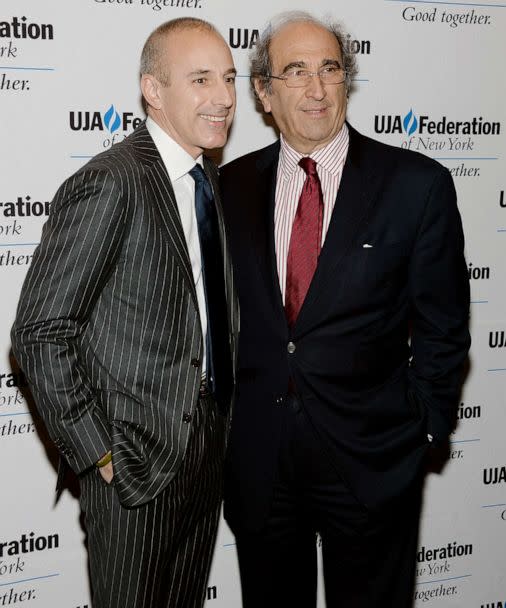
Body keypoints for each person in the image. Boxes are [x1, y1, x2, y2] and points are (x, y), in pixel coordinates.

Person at [220, 11, 470, 608]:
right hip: (261, 465)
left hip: (372, 464)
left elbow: (445, 325)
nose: (315, 89)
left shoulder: (416, 184)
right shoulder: (228, 187)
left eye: (330, 69)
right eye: (296, 71)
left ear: (346, 81)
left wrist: (423, 426)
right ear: (263, 91)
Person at [11, 17, 238, 608]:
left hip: (206, 455)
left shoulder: (208, 183)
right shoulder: (111, 182)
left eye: (230, 78)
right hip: (135, 468)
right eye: (201, 79)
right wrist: (101, 456)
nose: (223, 97)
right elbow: (39, 333)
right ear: (153, 91)